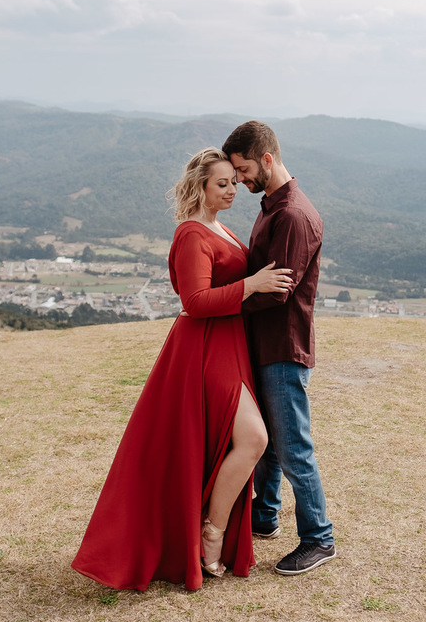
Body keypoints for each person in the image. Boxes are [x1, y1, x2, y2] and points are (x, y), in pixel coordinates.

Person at [71, 148, 293, 590]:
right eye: (222, 183)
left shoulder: (219, 228)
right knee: (254, 438)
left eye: (234, 181)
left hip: (230, 345)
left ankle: (209, 529)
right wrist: (251, 284)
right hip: (204, 348)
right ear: (201, 188)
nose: (232, 189)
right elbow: (193, 302)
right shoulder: (192, 234)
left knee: (244, 439)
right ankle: (210, 532)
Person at [223, 121, 337, 576]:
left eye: (245, 169)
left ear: (267, 160)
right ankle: (265, 516)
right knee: (268, 445)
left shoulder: (292, 215)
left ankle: (319, 539)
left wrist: (223, 300)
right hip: (266, 345)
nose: (241, 179)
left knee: (293, 449)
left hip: (283, 349)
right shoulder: (272, 205)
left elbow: (276, 293)